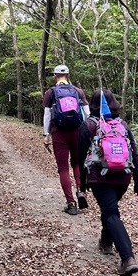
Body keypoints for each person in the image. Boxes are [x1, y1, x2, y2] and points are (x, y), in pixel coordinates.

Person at [78, 89, 138, 276]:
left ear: (91, 104)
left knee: (111, 213)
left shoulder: (89, 125)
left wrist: (82, 184)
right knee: (110, 209)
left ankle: (127, 258)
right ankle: (106, 242)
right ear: (114, 102)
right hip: (123, 177)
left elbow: (80, 157)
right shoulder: (122, 124)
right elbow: (134, 153)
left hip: (100, 178)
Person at [42, 64, 90, 215]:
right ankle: (80, 192)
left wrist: (46, 135)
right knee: (77, 163)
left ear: (55, 76)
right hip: (77, 131)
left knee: (63, 168)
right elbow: (87, 114)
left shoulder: (50, 92)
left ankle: (71, 203)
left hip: (59, 132)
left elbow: (47, 115)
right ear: (68, 76)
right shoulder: (78, 91)